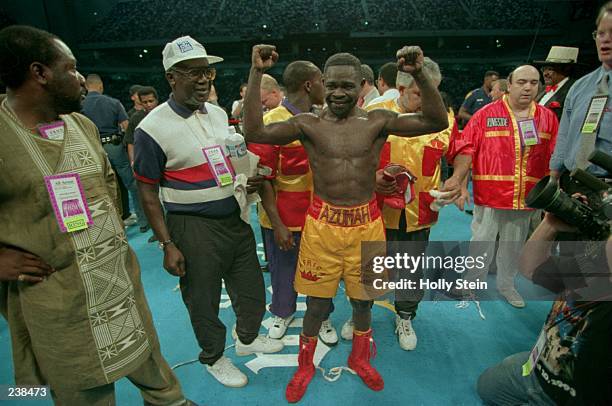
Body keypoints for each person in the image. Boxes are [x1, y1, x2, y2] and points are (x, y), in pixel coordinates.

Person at [243, 43, 450, 402]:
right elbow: (254, 133)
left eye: (348, 86)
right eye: (333, 85)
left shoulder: (378, 121)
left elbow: (436, 121)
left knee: (363, 302)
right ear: (322, 83)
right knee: (317, 305)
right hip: (322, 227)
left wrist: (418, 73)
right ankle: (305, 366)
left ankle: (359, 357)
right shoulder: (306, 123)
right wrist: (256, 72)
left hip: (367, 224)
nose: (340, 92)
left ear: (360, 85)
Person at [0, 25, 194, 406]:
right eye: (72, 69)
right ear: (39, 73)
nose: (82, 80)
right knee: (81, 386)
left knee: (150, 361)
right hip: (58, 296)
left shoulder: (82, 124)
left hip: (118, 281)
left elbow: (106, 185)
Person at [133, 35, 283, 389]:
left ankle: (246, 338)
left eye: (207, 72)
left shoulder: (217, 114)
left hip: (235, 215)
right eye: (192, 73)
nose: (203, 79)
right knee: (203, 298)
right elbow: (146, 190)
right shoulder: (150, 128)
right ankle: (213, 356)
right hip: (191, 226)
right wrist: (167, 242)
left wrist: (242, 180)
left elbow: (229, 161)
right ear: (171, 77)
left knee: (251, 290)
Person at [354, 57, 458, 351]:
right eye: (419, 93)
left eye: (433, 92)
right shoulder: (370, 114)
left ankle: (405, 315)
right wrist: (371, 177)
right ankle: (362, 313)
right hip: (375, 207)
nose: (428, 100)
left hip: (420, 210)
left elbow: (461, 150)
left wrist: (458, 177)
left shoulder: (443, 117)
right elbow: (349, 158)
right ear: (400, 87)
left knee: (411, 267)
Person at [450, 65, 559, 308]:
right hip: (490, 195)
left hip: (525, 197)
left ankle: (507, 285)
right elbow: (466, 148)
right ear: (509, 85)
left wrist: (551, 194)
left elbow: (554, 156)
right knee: (481, 241)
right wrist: (460, 184)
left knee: (513, 245)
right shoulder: (485, 114)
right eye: (521, 82)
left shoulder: (547, 118)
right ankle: (470, 283)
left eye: (533, 82)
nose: (528, 87)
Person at [477, 212, 612, 405]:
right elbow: (530, 268)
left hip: (573, 396)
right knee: (489, 385)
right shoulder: (594, 264)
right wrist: (550, 224)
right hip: (541, 366)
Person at [248, 60, 339, 344]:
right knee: (283, 269)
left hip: (319, 214)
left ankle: (322, 315)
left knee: (321, 269)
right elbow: (263, 176)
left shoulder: (323, 119)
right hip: (283, 215)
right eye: (323, 81)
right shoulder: (274, 120)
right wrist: (277, 223)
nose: (326, 87)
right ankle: (283, 312)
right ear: (309, 85)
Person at [550, 2, 612, 185]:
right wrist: (553, 181)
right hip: (576, 185)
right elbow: (564, 138)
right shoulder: (579, 87)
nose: (605, 40)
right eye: (600, 33)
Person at [82, 73, 148, 232]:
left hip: (93, 148)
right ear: (100, 86)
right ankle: (144, 221)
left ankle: (115, 224)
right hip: (115, 146)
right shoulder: (113, 102)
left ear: (86, 87)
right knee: (131, 183)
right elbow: (126, 127)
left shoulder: (80, 106)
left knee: (103, 188)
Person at [534, 46, 579, 121]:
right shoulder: (543, 89)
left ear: (565, 69)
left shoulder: (573, 89)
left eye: (550, 69)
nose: (545, 73)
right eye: (544, 69)